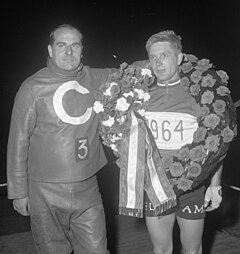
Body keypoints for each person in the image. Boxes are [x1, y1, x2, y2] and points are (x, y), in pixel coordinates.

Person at [7, 24, 113, 254]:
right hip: (45, 192)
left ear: (82, 50)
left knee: (97, 250)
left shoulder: (95, 78)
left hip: (88, 187)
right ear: (50, 50)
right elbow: (18, 142)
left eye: (75, 45)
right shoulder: (32, 87)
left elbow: (133, 75)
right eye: (61, 45)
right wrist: (18, 192)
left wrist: (169, 65)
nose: (69, 52)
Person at [133, 30, 235, 254]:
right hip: (157, 186)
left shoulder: (199, 95)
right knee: (161, 249)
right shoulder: (140, 96)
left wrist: (215, 185)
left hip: (191, 187)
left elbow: (216, 145)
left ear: (179, 58)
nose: (158, 63)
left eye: (165, 55)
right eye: (153, 57)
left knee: (192, 250)